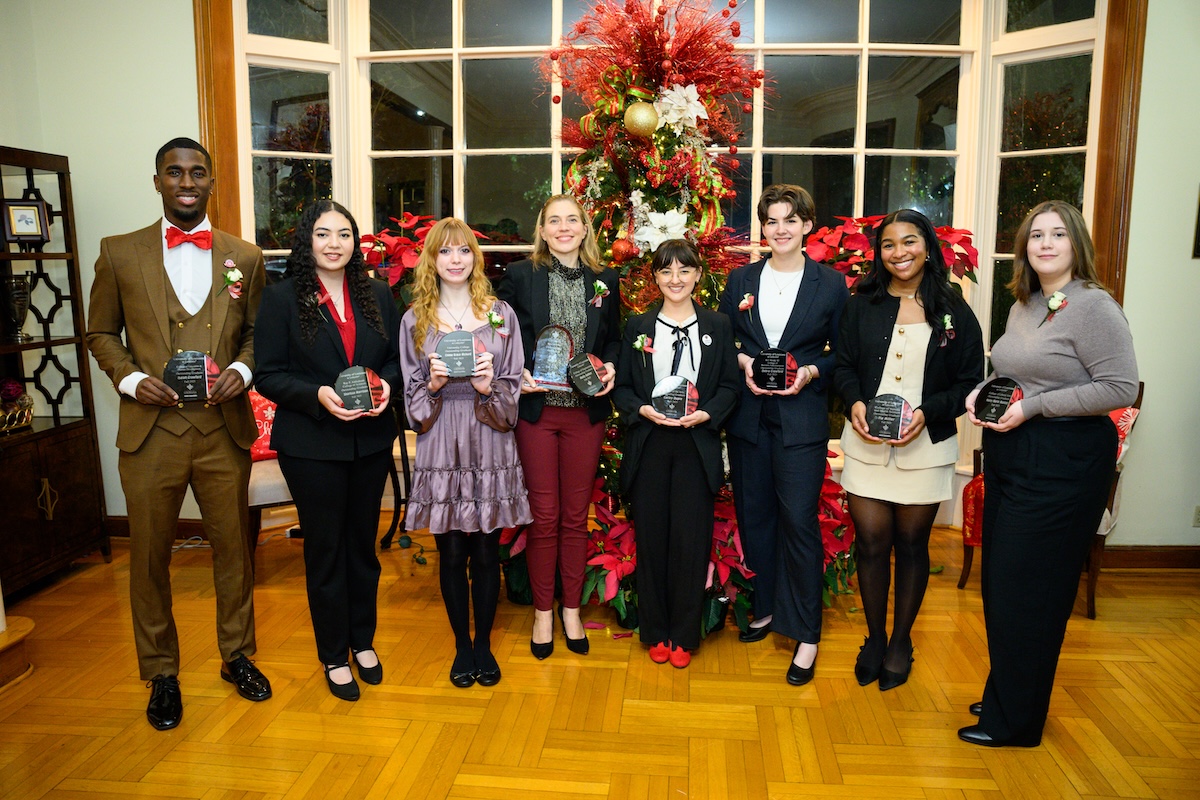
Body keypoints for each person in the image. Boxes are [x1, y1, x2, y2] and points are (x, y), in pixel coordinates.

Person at [86, 137, 271, 730]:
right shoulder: (118, 253)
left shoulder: (245, 255)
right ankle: (161, 672)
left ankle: (237, 655)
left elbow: (256, 336)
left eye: (197, 172)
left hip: (222, 431)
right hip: (150, 434)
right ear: (158, 180)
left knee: (233, 552)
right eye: (174, 172)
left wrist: (242, 373)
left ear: (212, 181)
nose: (186, 181)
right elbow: (99, 334)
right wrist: (130, 378)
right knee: (148, 559)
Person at [959, 200, 1138, 747]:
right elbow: (1015, 371)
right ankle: (1013, 690)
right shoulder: (1026, 302)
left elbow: (1120, 389)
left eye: (1058, 234)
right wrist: (984, 390)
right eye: (1036, 234)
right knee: (1004, 584)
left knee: (1029, 591)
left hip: (1065, 462)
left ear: (1075, 243)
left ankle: (1017, 722)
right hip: (1017, 456)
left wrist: (1034, 408)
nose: (1045, 243)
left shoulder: (1094, 307)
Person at [253, 200, 400, 701]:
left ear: (355, 243)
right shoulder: (280, 299)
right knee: (326, 550)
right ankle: (334, 654)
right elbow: (269, 374)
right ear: (307, 242)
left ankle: (363, 642)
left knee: (363, 549)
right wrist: (317, 395)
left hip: (370, 441)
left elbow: (400, 364)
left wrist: (386, 390)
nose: (334, 243)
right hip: (312, 444)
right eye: (323, 234)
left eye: (343, 234)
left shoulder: (379, 295)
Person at [833, 209, 983, 691]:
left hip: (927, 447)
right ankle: (874, 638)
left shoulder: (952, 307)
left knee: (912, 545)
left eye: (910, 241)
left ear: (928, 246)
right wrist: (855, 402)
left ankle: (901, 641)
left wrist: (928, 414)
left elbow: (969, 381)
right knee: (872, 542)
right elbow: (843, 365)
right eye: (889, 244)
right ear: (879, 253)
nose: (900, 252)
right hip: (866, 446)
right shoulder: (861, 302)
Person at [718, 184, 849, 685]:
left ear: (807, 225)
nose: (780, 229)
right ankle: (769, 608)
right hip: (750, 419)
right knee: (756, 519)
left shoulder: (831, 284)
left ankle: (807, 635)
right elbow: (722, 339)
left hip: (801, 421)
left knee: (798, 521)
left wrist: (811, 373)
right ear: (763, 228)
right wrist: (744, 361)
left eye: (790, 220)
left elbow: (842, 352)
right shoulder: (741, 279)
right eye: (771, 221)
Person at [400, 217, 531, 688]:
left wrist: (487, 386)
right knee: (451, 553)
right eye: (445, 251)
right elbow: (413, 399)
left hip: (488, 436)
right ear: (432, 261)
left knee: (485, 551)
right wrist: (433, 385)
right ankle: (461, 645)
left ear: (475, 258)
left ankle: (485, 646)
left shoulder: (501, 315)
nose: (455, 260)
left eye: (463, 251)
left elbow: (513, 386)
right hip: (441, 441)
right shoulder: (415, 319)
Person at [496, 195, 621, 659]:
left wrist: (610, 367)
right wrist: (514, 371)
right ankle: (542, 614)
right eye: (555, 221)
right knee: (544, 517)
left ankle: (572, 609)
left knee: (574, 516)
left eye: (573, 220)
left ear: (585, 229)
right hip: (538, 413)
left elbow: (614, 340)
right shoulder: (521, 275)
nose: (564, 228)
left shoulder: (605, 279)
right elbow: (497, 330)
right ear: (543, 231)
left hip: (584, 414)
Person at [612, 240, 740, 667]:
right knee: (652, 540)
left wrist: (707, 414)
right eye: (666, 271)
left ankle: (684, 634)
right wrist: (642, 409)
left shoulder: (719, 326)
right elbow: (626, 389)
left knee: (690, 541)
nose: (675, 279)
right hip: (650, 442)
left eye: (684, 270)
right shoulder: (638, 328)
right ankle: (656, 631)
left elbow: (729, 385)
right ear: (655, 278)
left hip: (695, 443)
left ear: (698, 275)